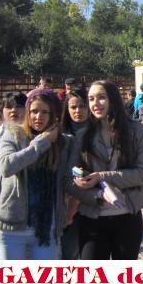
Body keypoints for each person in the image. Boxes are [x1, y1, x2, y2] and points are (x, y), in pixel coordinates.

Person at [67, 81, 143, 275]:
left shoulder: (136, 131)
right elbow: (69, 180)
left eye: (101, 97)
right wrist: (94, 192)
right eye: (91, 99)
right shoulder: (82, 136)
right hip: (91, 218)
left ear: (113, 99)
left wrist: (102, 177)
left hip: (127, 216)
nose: (95, 103)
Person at [0, 90, 71, 284]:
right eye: (34, 111)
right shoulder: (13, 134)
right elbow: (6, 167)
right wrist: (43, 142)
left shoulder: (63, 142)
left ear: (53, 114)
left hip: (46, 228)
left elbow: (67, 181)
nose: (38, 117)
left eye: (45, 112)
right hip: (11, 227)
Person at [0, 92, 27, 244]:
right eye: (8, 107)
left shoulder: (32, 137)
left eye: (19, 106)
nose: (13, 111)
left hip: (20, 200)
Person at [60, 88, 89, 262]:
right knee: (67, 253)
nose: (78, 111)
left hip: (89, 198)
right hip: (62, 198)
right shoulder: (59, 135)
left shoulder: (99, 133)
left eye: (83, 106)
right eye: (73, 107)